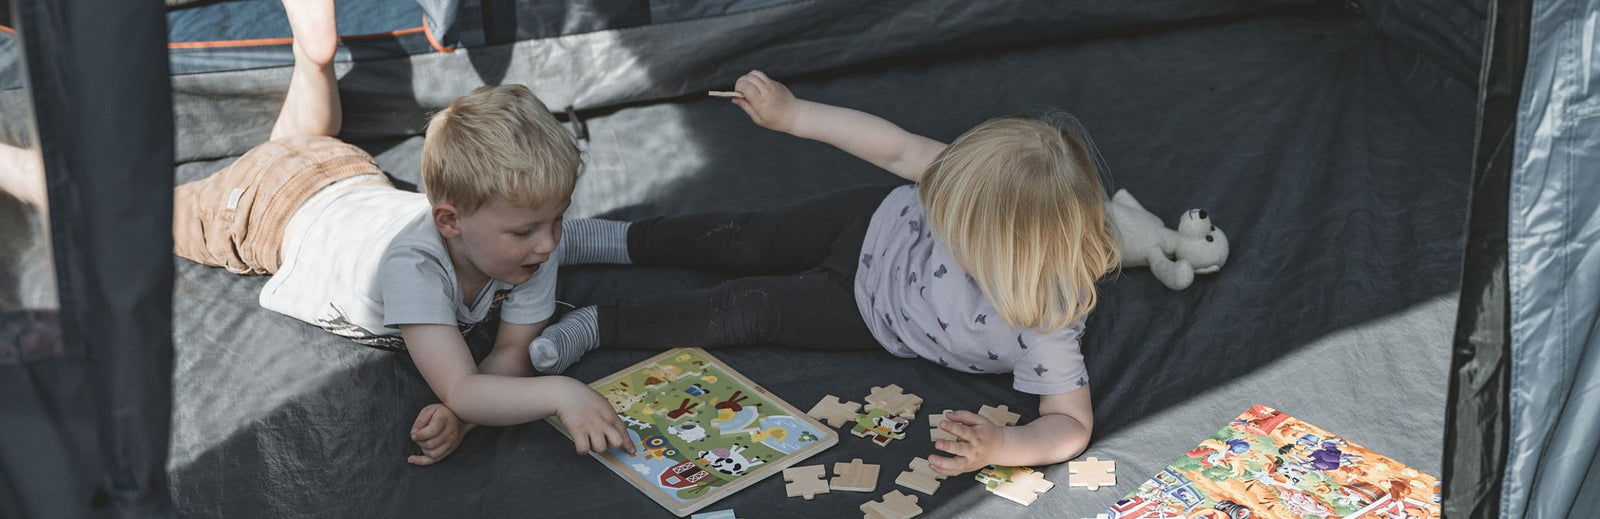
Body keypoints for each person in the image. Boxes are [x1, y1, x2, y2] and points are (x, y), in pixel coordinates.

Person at [534, 70, 1120, 476]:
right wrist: (793, 114)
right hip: (864, 221)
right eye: (940, 195)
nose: (935, 206)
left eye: (951, 218)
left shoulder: (1046, 323)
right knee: (744, 237)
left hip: (865, 313)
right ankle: (610, 238)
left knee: (745, 309)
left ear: (1009, 253)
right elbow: (893, 148)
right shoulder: (975, 184)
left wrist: (1005, 445)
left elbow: (1069, 423)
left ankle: (596, 325)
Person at [165, 0, 631, 465]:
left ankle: (314, 59)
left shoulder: (530, 251)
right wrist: (562, 394)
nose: (550, 243)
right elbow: (463, 386)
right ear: (450, 221)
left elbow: (513, 350)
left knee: (299, 143)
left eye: (557, 220)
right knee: (149, 220)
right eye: (527, 230)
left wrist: (462, 416)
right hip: (259, 212)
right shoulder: (414, 267)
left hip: (340, 168)